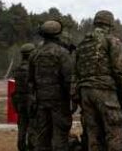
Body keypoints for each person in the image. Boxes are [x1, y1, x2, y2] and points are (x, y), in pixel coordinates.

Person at [74, 10, 122, 151]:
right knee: (115, 129)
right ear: (110, 23)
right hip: (104, 90)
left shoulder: (83, 43)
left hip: (85, 91)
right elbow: (119, 69)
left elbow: (76, 71)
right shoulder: (111, 40)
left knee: (94, 133)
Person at [28, 20, 73, 151]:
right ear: (58, 34)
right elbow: (68, 79)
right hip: (59, 102)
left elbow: (30, 80)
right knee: (60, 137)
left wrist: (33, 99)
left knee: (42, 137)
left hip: (41, 102)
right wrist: (72, 100)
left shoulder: (34, 54)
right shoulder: (63, 53)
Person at [12, 43, 36, 151]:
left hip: (19, 101)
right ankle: (31, 147)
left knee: (22, 126)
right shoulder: (32, 68)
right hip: (30, 100)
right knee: (32, 126)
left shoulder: (17, 69)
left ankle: (21, 147)